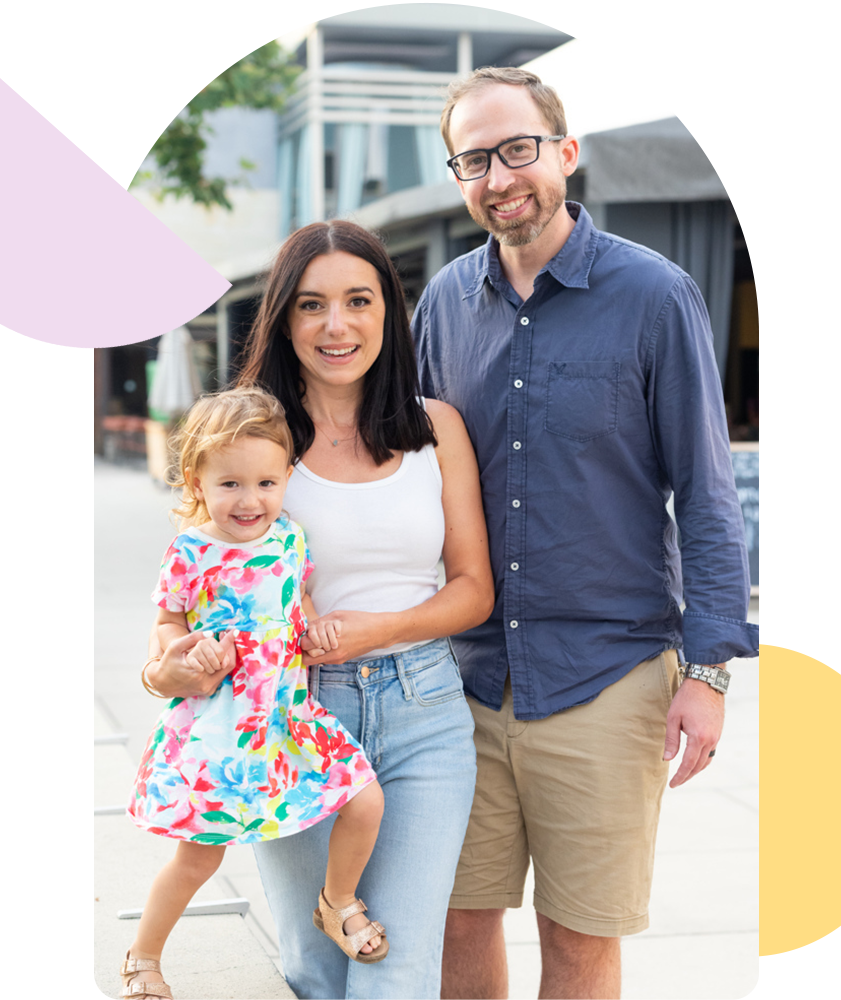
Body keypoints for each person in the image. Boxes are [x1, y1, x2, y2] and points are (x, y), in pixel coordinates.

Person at [409, 67, 760, 1000]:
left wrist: (710, 674)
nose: (499, 177)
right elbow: (409, 476)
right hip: (464, 679)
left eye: (517, 148)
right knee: (455, 919)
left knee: (578, 936)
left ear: (565, 153)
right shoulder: (442, 302)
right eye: (474, 159)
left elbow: (707, 494)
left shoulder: (656, 295)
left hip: (606, 676)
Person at [143, 219, 495, 1000]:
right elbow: (185, 593)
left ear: (387, 311)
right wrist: (169, 667)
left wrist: (379, 630)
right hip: (286, 715)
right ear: (283, 318)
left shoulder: (436, 428)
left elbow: (473, 589)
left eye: (358, 301)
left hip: (425, 712)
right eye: (312, 304)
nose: (337, 325)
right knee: (315, 969)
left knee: (395, 969)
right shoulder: (251, 440)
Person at [122, 386, 393, 1000]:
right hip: (221, 727)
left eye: (266, 483)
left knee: (365, 800)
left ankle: (337, 900)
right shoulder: (191, 551)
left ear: (288, 477)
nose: (250, 500)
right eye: (231, 484)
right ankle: (144, 955)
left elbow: (300, 602)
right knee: (199, 858)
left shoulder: (290, 538)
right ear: (197, 482)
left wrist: (316, 628)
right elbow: (167, 622)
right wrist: (184, 649)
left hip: (289, 718)